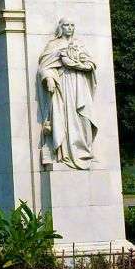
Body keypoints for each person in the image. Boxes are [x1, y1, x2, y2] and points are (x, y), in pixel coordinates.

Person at [37, 18, 98, 169]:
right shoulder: (54, 45)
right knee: (66, 117)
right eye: (66, 25)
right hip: (64, 84)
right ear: (60, 27)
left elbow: (91, 64)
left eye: (72, 25)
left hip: (80, 85)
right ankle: (65, 154)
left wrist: (82, 65)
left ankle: (84, 152)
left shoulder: (79, 45)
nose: (70, 28)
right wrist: (49, 78)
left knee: (83, 117)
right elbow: (44, 66)